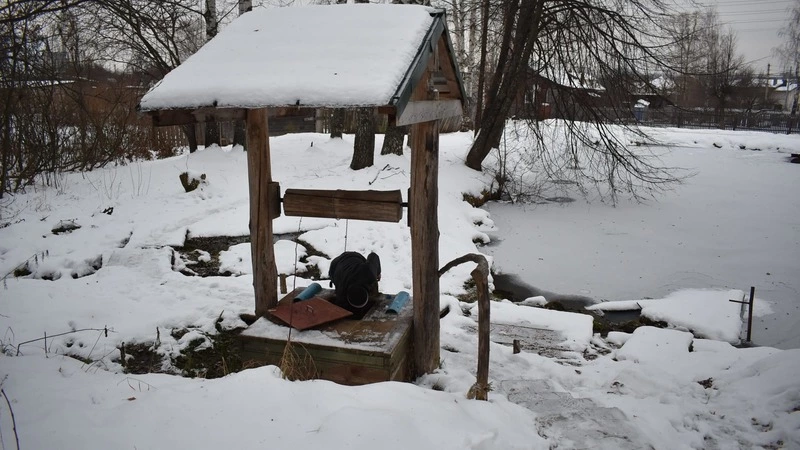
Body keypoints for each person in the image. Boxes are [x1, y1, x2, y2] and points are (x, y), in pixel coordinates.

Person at [328, 251, 381, 317]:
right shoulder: (341, 289)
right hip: (336, 265)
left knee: (373, 289)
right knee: (342, 305)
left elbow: (373, 255)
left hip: (357, 259)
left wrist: (378, 273)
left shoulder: (368, 273)